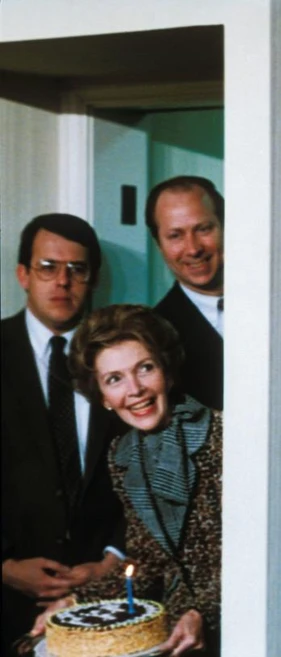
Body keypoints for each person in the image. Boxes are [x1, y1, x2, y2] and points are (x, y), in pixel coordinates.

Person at [30, 305, 223, 656]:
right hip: (176, 635)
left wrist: (203, 612)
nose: (134, 390)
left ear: (167, 371)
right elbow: (147, 563)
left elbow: (254, 554)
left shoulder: (222, 437)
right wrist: (75, 601)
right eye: (114, 379)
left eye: (145, 368)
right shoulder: (123, 456)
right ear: (102, 397)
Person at [1, 214, 125, 657]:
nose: (62, 281)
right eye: (48, 267)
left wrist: (113, 558)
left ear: (93, 280)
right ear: (23, 274)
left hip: (104, 602)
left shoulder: (122, 358)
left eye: (77, 269)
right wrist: (4, 567)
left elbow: (147, 471)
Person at [146, 176, 225, 411]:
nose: (193, 249)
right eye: (175, 236)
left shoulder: (274, 303)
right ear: (159, 245)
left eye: (203, 229)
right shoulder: (151, 333)